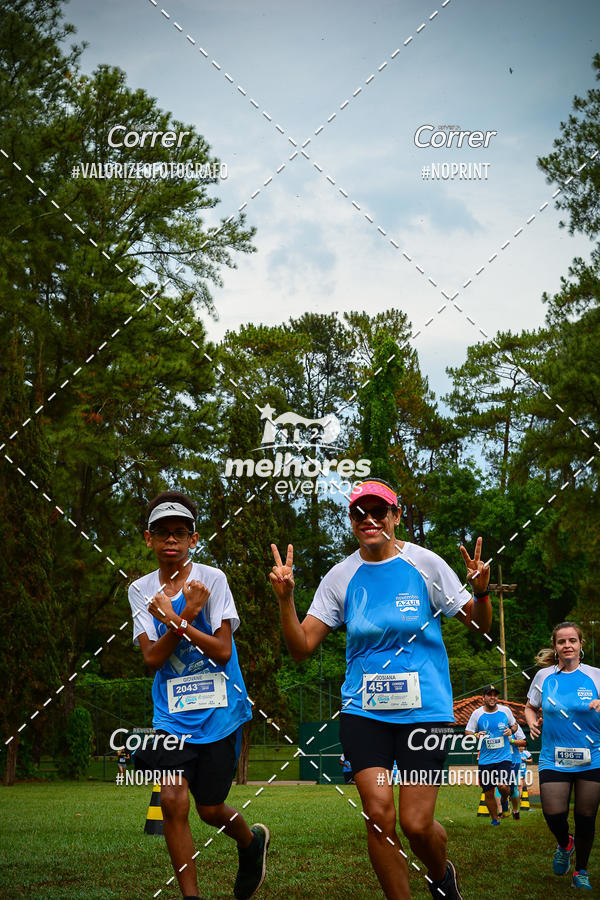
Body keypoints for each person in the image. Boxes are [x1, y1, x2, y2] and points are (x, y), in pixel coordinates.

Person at [269, 477, 493, 900]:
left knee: (416, 824)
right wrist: (285, 599)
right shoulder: (341, 576)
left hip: (426, 711)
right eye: (359, 513)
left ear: (395, 516)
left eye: (379, 512)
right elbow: (301, 647)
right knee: (378, 814)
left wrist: (480, 596)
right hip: (364, 711)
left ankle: (442, 875)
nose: (369, 519)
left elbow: (481, 627)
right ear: (352, 520)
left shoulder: (425, 564)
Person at [128, 490, 269, 900]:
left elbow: (223, 651)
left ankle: (250, 842)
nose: (170, 540)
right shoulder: (139, 590)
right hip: (171, 716)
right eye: (161, 532)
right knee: (173, 801)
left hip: (220, 713)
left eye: (179, 532)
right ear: (148, 538)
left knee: (209, 809)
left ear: (193, 539)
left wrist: (177, 618)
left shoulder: (213, 579)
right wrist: (186, 615)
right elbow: (152, 658)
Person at [525, 621, 600, 891]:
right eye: (561, 642)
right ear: (555, 647)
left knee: (585, 816)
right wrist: (532, 720)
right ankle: (565, 843)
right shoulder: (544, 677)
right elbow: (530, 706)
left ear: (581, 645)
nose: (567, 645)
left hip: (592, 756)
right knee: (553, 812)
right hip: (553, 757)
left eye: (572, 641)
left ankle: (581, 870)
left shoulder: (595, 675)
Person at [465, 685, 518, 825]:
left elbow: (515, 725)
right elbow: (468, 732)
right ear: (484, 698)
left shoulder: (505, 711)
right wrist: (476, 735)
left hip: (504, 757)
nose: (492, 697)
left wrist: (511, 731)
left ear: (497, 698)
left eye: (495, 695)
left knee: (503, 786)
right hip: (485, 760)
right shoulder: (477, 714)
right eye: (489, 695)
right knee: (488, 792)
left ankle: (504, 800)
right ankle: (495, 819)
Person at [508, 725, 527, 819]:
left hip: (513, 761)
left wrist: (511, 740)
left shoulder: (515, 726)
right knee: (499, 785)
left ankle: (515, 810)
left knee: (512, 787)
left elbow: (524, 742)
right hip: (497, 760)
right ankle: (502, 809)